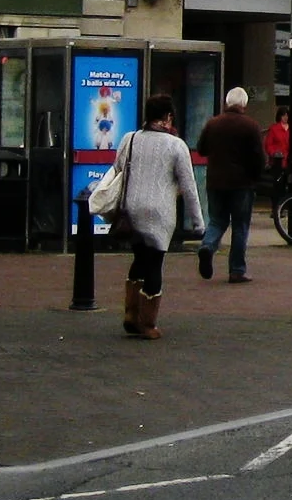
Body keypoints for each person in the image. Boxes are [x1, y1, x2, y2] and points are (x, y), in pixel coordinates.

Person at [113, 93, 204, 340]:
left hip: (132, 208)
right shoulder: (176, 146)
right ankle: (148, 322)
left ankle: (131, 314)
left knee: (139, 258)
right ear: (168, 117)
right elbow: (189, 186)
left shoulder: (129, 139)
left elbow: (117, 169)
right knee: (155, 262)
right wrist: (198, 222)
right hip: (160, 211)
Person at [194, 86, 266, 282]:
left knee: (217, 220)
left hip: (215, 181)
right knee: (240, 226)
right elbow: (259, 157)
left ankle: (207, 246)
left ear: (227, 103)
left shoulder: (213, 124)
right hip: (242, 183)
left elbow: (201, 149)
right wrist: (256, 177)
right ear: (244, 104)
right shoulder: (250, 126)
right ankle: (237, 269)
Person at [262, 111, 291, 189]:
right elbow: (268, 144)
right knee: (278, 184)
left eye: (287, 116)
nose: (285, 118)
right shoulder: (274, 129)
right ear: (279, 117)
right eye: (283, 115)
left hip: (290, 160)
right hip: (278, 161)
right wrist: (274, 153)